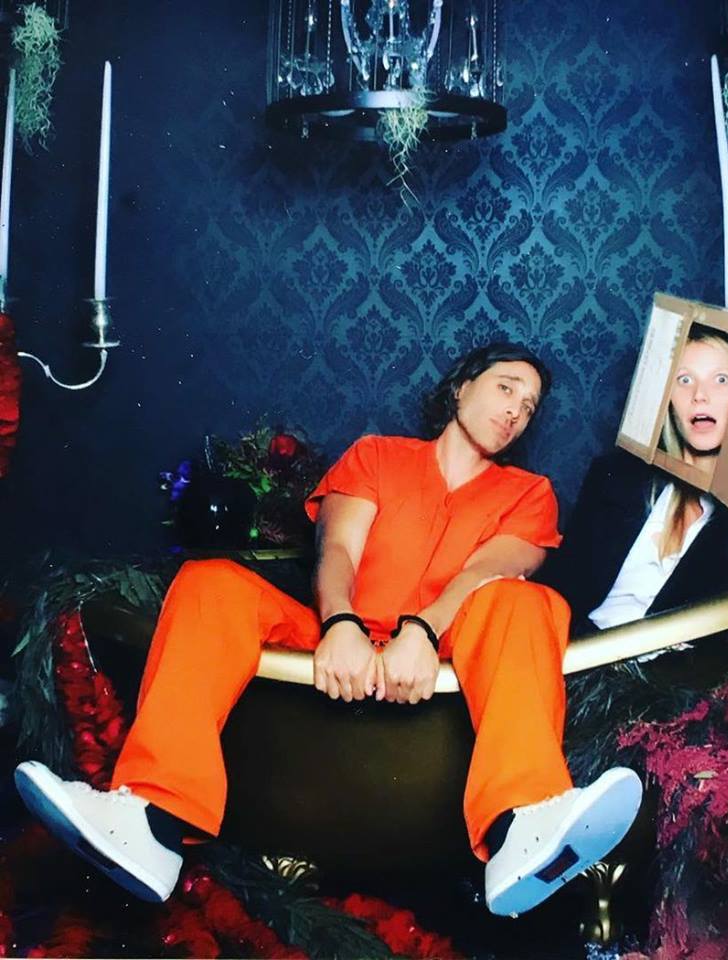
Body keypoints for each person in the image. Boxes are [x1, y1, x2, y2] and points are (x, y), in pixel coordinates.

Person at [14, 342, 642, 918]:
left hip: (449, 652)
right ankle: (151, 820)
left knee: (527, 603)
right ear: (461, 387)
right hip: (338, 639)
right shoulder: (378, 456)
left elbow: (486, 574)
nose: (516, 413)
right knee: (210, 582)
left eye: (529, 407)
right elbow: (337, 549)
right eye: (506, 388)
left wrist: (422, 632)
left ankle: (519, 826)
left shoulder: (530, 493)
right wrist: (340, 622)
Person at [537, 328, 728, 636]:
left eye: (720, 379)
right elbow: (559, 587)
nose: (700, 395)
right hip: (578, 653)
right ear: (667, 397)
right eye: (684, 379)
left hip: (678, 666)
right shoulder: (616, 476)